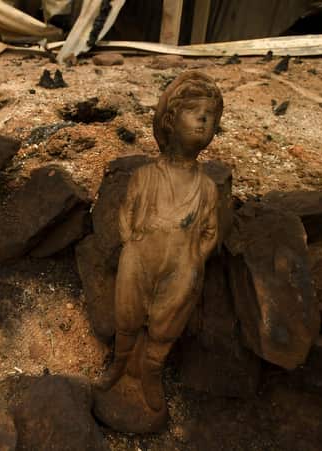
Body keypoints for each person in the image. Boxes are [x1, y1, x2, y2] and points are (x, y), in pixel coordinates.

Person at [99, 71, 224, 411]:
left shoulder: (207, 187)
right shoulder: (145, 175)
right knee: (127, 316)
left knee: (167, 324)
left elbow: (211, 231)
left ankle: (151, 372)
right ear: (170, 121)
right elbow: (126, 211)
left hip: (182, 265)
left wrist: (194, 260)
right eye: (194, 111)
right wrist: (132, 245)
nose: (203, 119)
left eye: (210, 116)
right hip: (140, 259)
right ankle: (120, 364)